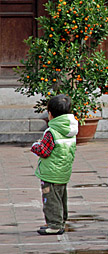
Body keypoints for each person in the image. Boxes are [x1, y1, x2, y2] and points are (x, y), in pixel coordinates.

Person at [31, 94, 78, 235]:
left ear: (50, 114)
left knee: (51, 200)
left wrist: (35, 146)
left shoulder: (51, 132)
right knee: (61, 198)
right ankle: (60, 221)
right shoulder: (71, 130)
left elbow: (44, 151)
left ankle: (54, 225)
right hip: (64, 171)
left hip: (50, 172)